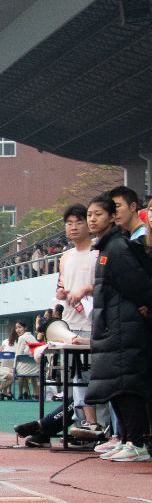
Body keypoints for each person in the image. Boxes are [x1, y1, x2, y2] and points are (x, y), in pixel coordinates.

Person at [83, 194, 152, 461]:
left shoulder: (118, 249)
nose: (92, 219)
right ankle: (125, 438)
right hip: (114, 325)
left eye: (98, 214)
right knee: (115, 386)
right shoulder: (106, 248)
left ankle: (136, 442)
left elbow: (139, 286)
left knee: (126, 385)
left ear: (112, 217)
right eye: (90, 214)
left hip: (125, 326)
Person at [52, 203, 106, 436]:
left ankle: (103, 428)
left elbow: (106, 285)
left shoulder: (98, 252)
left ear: (88, 224)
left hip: (95, 324)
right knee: (76, 380)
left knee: (98, 379)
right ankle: (84, 425)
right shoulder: (65, 257)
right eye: (69, 224)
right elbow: (61, 287)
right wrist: (62, 294)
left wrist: (86, 290)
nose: (73, 227)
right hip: (71, 326)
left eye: (79, 222)